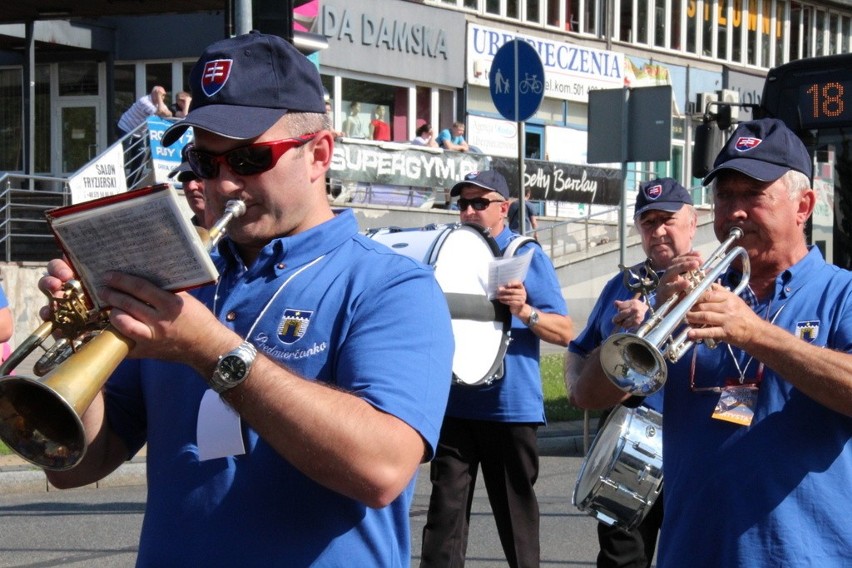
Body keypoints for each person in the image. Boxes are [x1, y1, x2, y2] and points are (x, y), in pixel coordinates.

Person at [39, 31, 454, 567]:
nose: (223, 184)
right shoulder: (175, 283)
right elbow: (73, 467)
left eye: (249, 159)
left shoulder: (391, 286)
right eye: (206, 163)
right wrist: (83, 338)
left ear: (318, 155)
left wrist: (209, 348)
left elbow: (381, 470)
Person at [569, 117, 852, 566]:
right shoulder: (692, 292)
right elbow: (586, 394)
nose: (735, 211)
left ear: (804, 206)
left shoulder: (842, 292)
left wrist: (756, 333)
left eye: (753, 194)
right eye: (724, 195)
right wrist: (650, 323)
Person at [421, 170, 574, 568]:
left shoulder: (524, 253)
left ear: (504, 209)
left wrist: (525, 310)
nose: (469, 211)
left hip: (509, 407)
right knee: (443, 516)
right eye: (463, 204)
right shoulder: (449, 251)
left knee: (515, 518)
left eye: (479, 203)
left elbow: (565, 331)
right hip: (455, 403)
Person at [565, 177, 697, 568]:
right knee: (621, 558)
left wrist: (657, 316)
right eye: (648, 221)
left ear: (692, 221)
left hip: (690, 441)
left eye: (667, 219)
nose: (657, 230)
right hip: (627, 442)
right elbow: (578, 348)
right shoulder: (620, 285)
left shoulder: (716, 280)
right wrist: (576, 389)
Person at [168, 152, 206, 228]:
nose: (190, 187)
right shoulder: (179, 234)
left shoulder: (236, 235)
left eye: (199, 178)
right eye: (185, 179)